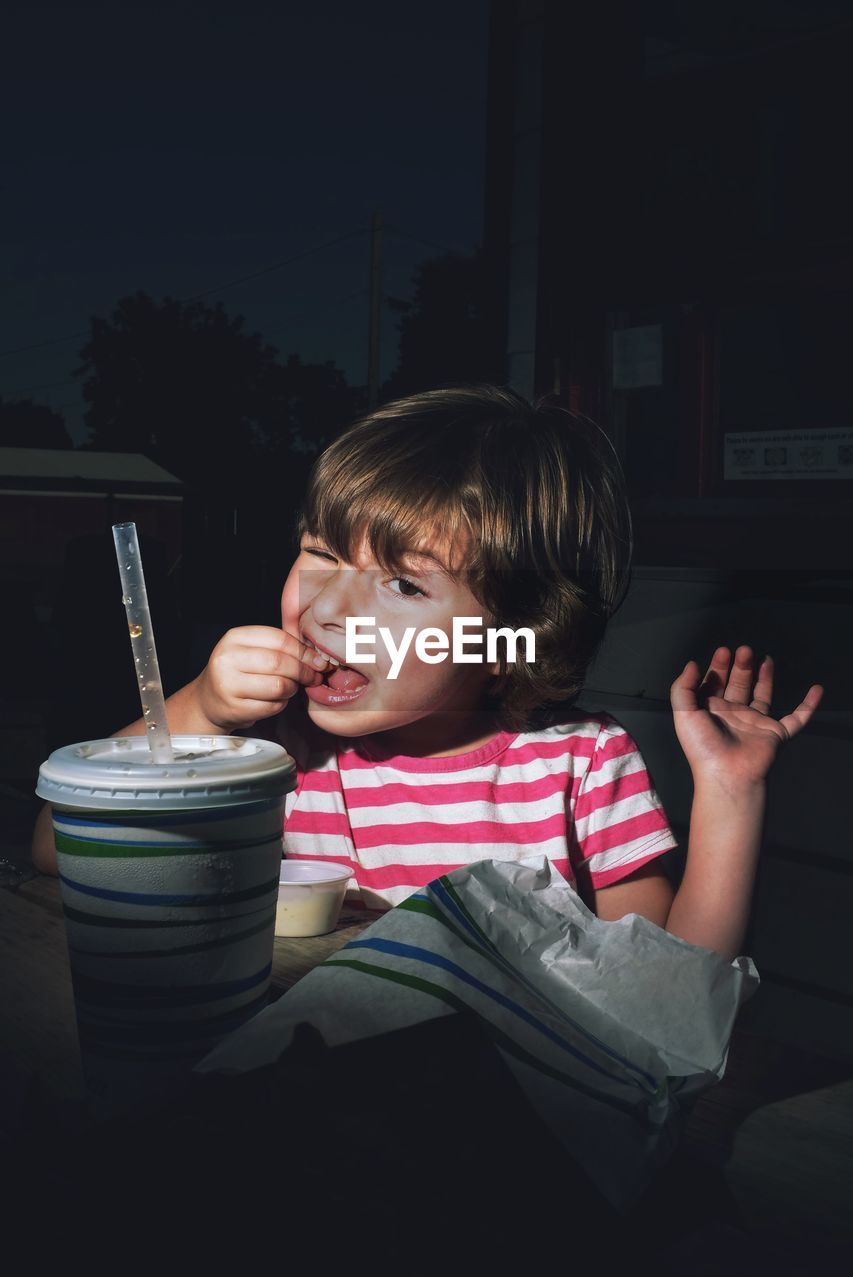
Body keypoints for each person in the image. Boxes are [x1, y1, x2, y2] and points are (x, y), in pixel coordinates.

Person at [32, 386, 823, 960]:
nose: (330, 609)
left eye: (404, 585)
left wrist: (728, 793)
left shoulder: (577, 764)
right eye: (319, 554)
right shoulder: (271, 750)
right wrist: (201, 708)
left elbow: (669, 983)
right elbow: (59, 847)